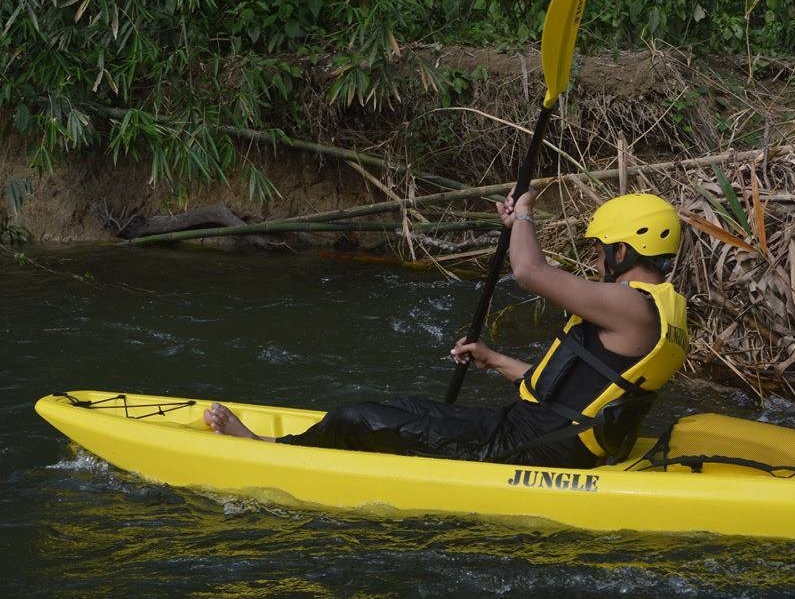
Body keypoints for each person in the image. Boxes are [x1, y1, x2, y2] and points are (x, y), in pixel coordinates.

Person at [204, 191, 688, 467]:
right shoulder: (654, 312)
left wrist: (522, 217)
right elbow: (570, 397)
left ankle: (267, 450)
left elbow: (528, 272)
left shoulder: (631, 306)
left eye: (601, 247)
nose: (597, 257)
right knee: (405, 407)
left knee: (359, 417)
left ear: (623, 251)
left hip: (528, 449)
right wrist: (494, 358)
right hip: (541, 433)